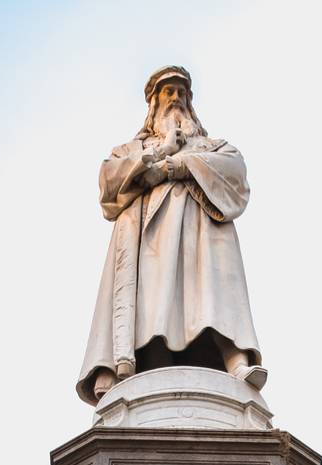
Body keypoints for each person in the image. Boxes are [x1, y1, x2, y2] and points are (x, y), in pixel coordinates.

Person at [76, 65, 265, 404]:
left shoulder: (211, 144)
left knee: (211, 295)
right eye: (168, 92)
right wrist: (161, 152)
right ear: (154, 102)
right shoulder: (132, 149)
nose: (176, 97)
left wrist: (179, 166)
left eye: (181, 92)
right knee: (153, 301)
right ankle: (153, 370)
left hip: (202, 235)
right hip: (149, 240)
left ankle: (236, 361)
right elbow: (108, 182)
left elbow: (235, 171)